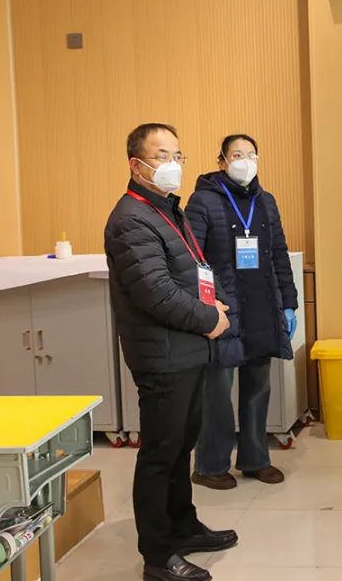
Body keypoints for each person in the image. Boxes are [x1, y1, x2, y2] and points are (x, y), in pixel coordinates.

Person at [104, 123, 237, 581]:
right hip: (162, 355)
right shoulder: (131, 219)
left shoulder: (166, 210)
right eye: (161, 156)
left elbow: (191, 272)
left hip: (186, 349)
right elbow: (156, 292)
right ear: (136, 165)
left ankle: (183, 526)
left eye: (177, 156)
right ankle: (158, 556)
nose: (172, 165)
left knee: (182, 447)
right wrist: (209, 318)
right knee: (160, 455)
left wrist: (215, 303)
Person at [186, 134, 299, 491]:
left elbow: (279, 254)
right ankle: (210, 465)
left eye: (251, 154)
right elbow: (192, 259)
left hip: (261, 306)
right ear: (221, 161)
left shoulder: (266, 201)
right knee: (217, 392)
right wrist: (205, 307)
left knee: (258, 387)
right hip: (223, 309)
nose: (245, 161)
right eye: (237, 154)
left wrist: (289, 302)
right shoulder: (203, 201)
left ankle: (255, 459)